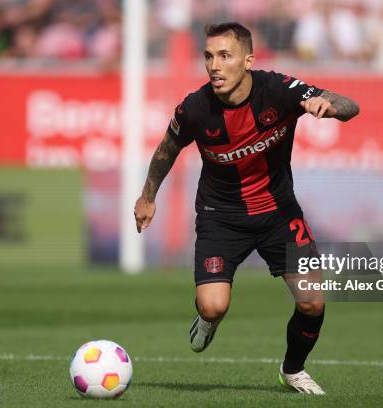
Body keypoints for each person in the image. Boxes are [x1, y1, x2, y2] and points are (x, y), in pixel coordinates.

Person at [134, 22, 359, 395]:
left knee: (312, 303)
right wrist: (148, 196)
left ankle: (292, 369)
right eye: (208, 56)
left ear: (248, 60)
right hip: (219, 217)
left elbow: (352, 107)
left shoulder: (280, 91)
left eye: (225, 55)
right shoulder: (195, 108)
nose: (214, 66)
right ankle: (207, 320)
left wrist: (330, 105)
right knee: (213, 307)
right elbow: (166, 149)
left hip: (278, 214)